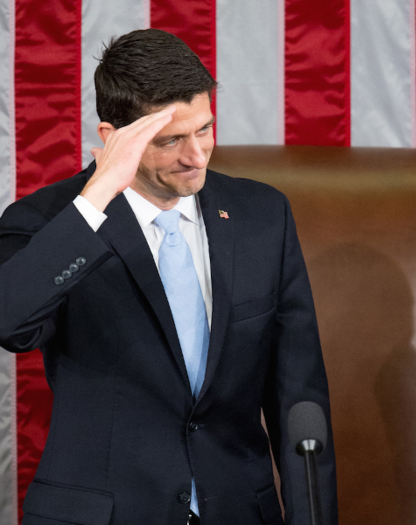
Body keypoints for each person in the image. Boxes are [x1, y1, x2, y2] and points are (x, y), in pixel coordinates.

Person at [0, 29, 337, 525]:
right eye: (171, 140)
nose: (196, 156)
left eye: (204, 129)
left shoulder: (262, 215)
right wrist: (96, 198)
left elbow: (299, 395)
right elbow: (10, 321)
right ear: (114, 138)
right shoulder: (50, 222)